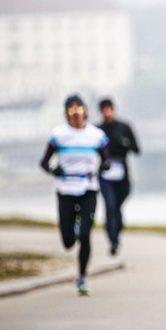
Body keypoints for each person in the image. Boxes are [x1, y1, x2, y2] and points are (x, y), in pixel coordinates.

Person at [39, 94, 109, 295]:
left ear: (85, 112)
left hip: (88, 188)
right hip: (65, 189)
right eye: (72, 110)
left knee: (86, 235)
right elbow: (44, 163)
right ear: (67, 114)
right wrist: (54, 171)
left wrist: (103, 165)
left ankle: (82, 277)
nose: (76, 114)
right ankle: (74, 229)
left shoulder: (96, 135)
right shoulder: (58, 135)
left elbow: (106, 159)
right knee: (68, 241)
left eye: (79, 109)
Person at [96, 98, 140, 256]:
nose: (107, 113)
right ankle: (113, 240)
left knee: (117, 205)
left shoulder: (124, 127)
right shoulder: (97, 130)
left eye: (109, 109)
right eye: (104, 110)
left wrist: (124, 143)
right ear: (101, 112)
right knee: (110, 206)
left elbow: (137, 149)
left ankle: (117, 225)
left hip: (122, 172)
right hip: (105, 172)